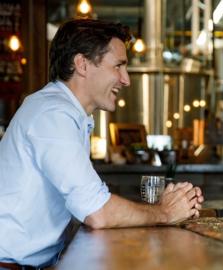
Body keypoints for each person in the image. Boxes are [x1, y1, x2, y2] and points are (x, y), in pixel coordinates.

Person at [0, 19, 204, 268]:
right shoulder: (52, 114)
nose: (126, 79)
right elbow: (97, 212)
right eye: (118, 66)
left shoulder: (70, 115)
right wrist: (165, 212)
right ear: (82, 64)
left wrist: (164, 208)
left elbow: (87, 205)